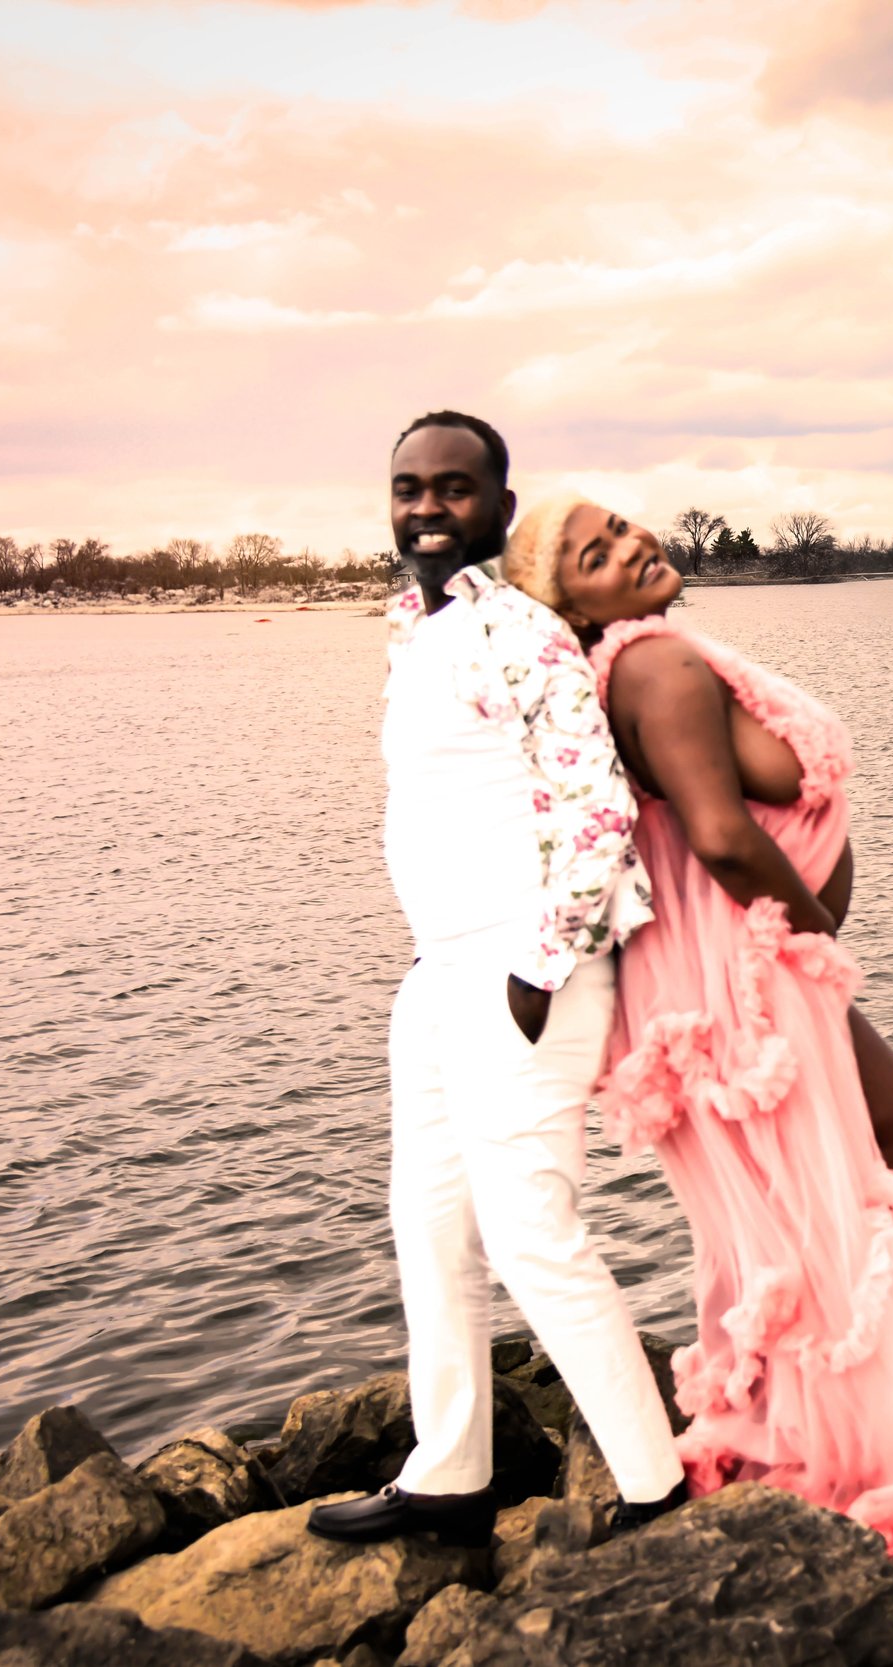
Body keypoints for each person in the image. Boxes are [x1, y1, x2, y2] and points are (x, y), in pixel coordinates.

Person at [494, 493, 893, 1568]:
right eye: (594, 552)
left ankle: (813, 1400)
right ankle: (854, 1455)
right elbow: (722, 835)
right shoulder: (655, 668)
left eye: (622, 525)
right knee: (808, 1202)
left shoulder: (635, 664)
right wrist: (818, 936)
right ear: (568, 602)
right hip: (742, 964)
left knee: (866, 1127)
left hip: (722, 956)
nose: (630, 544)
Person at [309, 417, 687, 1548]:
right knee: (430, 1223)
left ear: (499, 502)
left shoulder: (520, 630)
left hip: (527, 971)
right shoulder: (412, 625)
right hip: (439, 971)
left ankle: (656, 1487)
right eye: (408, 487)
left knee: (532, 1230)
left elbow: (595, 809)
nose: (427, 506)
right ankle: (448, 1471)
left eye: (454, 488)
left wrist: (539, 965)